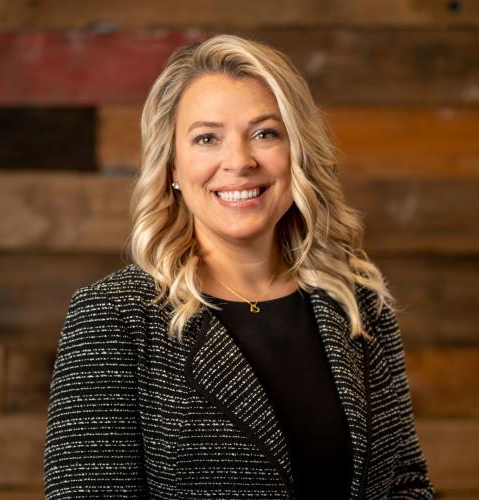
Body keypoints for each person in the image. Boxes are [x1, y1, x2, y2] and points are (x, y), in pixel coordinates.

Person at [43, 34, 435, 499]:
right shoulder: (113, 315)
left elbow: (405, 485)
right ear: (172, 166)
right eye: (207, 138)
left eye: (265, 133)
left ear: (297, 152)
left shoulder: (357, 301)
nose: (239, 161)